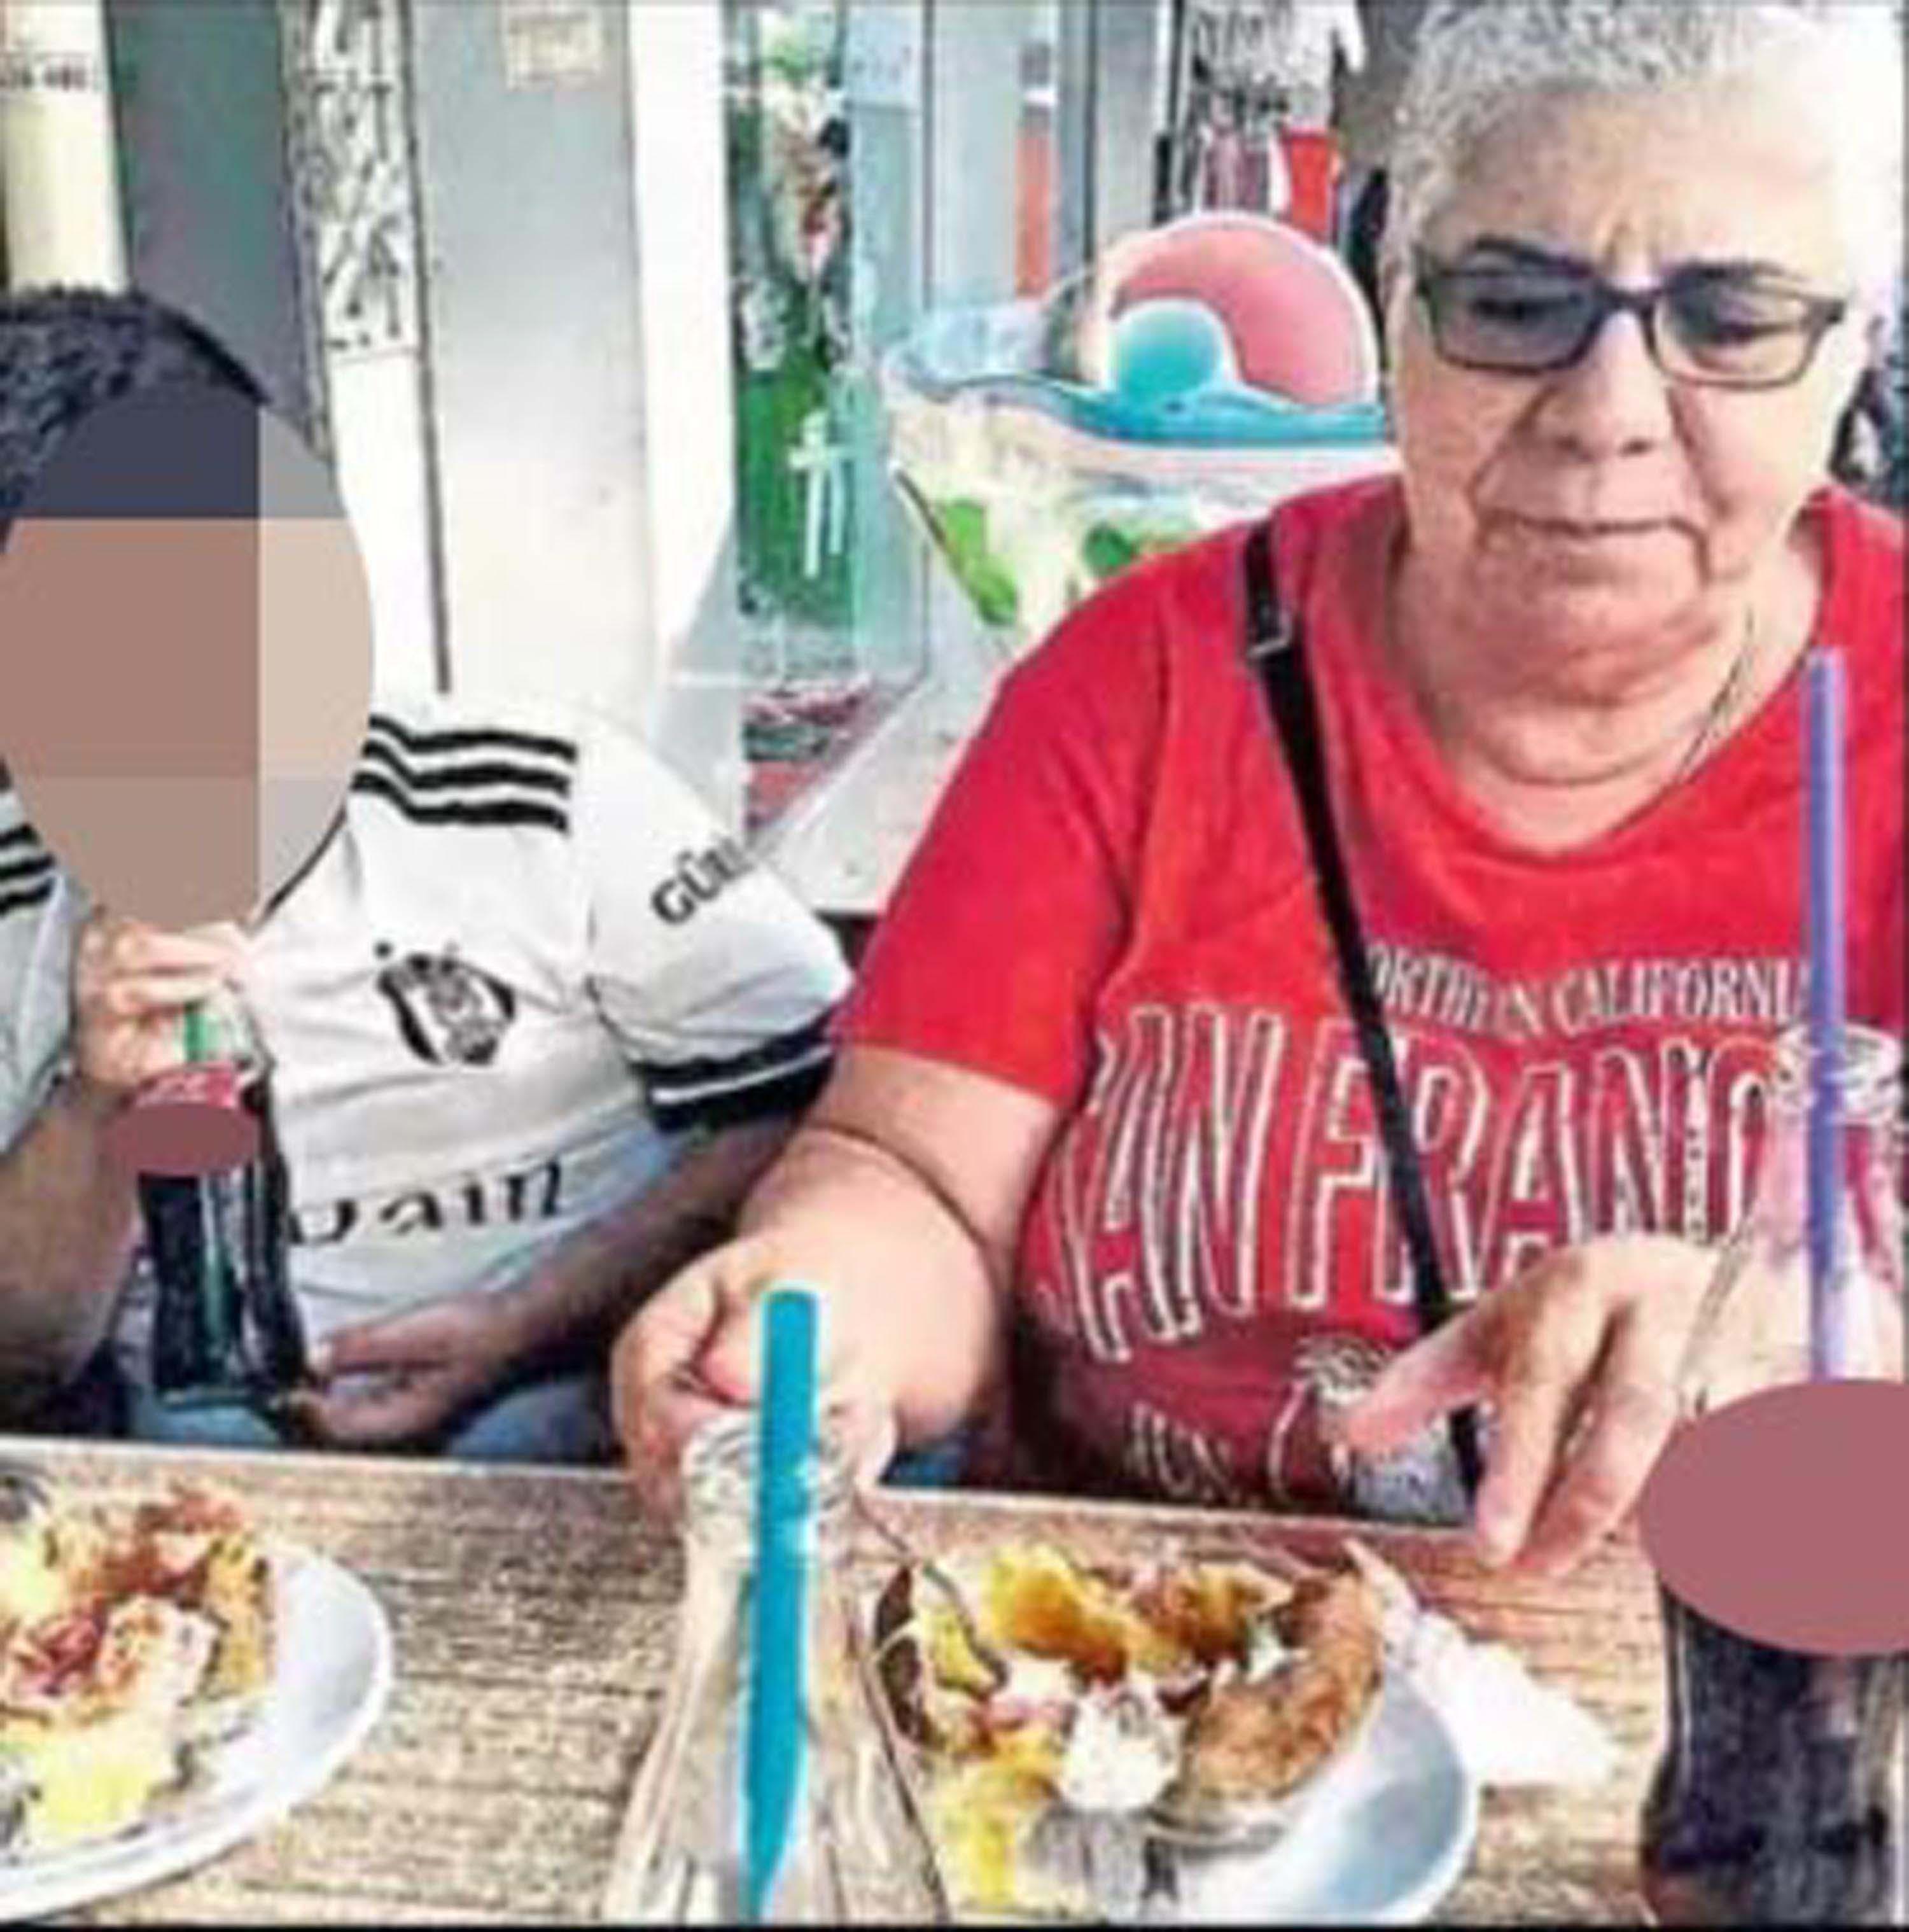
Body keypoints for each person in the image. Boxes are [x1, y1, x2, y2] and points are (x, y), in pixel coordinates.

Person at [615, 0, 1906, 1576]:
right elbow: (919, 1183)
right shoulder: (1142, 681)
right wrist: (812, 1326)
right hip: (1112, 1655)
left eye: (1736, 321)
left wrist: (1810, 1334)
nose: (1609, 413)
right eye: (1511, 304)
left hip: (1743, 1679)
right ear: (1392, 301)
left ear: (1856, 347)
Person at [0, 287, 850, 1460]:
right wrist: (93, 1102)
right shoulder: (19, 891)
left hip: (563, 1434)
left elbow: (820, 1117)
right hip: (189, 1480)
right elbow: (23, 1355)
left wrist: (524, 1325)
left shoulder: (541, 804)